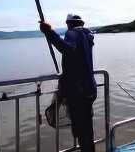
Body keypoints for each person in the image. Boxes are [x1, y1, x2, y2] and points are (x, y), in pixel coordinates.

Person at [40, 14, 97, 152]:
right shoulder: (86, 35)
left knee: (81, 131)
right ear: (81, 23)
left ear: (69, 24)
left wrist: (49, 32)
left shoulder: (72, 33)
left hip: (78, 92)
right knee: (87, 130)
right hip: (89, 89)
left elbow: (68, 49)